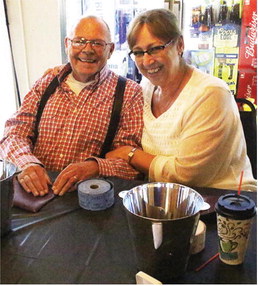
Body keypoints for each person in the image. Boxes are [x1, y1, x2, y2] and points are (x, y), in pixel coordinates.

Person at [106, 8, 256, 191]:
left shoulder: (211, 94)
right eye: (138, 52)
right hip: (166, 199)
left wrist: (131, 154)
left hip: (224, 203)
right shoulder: (147, 86)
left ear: (179, 45)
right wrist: (64, 74)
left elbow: (187, 175)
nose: (146, 61)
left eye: (155, 49)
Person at [0, 16, 143, 196]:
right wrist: (27, 163)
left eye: (97, 43)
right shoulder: (47, 82)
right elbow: (14, 132)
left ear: (111, 49)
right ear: (67, 44)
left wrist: (95, 167)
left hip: (86, 201)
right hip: (34, 195)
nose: (87, 50)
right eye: (79, 41)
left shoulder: (129, 93)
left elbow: (132, 164)